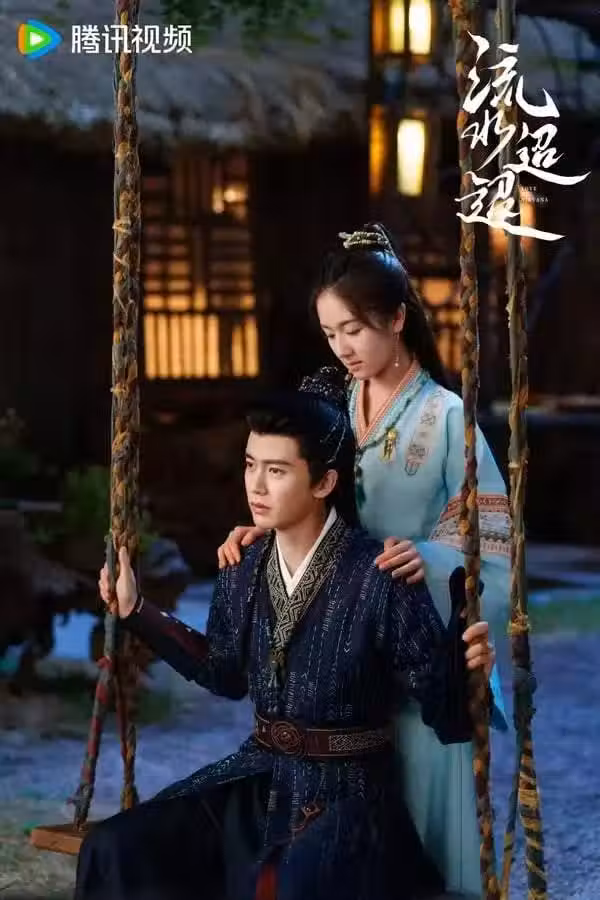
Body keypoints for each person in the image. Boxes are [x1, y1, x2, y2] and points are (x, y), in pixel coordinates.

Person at [75, 371, 495, 900]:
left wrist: (469, 669)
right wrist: (137, 610)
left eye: (276, 471)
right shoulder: (244, 563)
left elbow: (444, 711)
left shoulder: (380, 574)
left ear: (323, 483)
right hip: (259, 775)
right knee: (115, 847)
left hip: (349, 796)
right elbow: (224, 674)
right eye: (250, 465)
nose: (255, 486)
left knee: (280, 886)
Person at [217, 223, 512, 897]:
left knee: (427, 833)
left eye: (354, 329)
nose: (343, 347)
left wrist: (430, 557)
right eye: (330, 333)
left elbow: (490, 543)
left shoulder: (447, 418)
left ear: (397, 318)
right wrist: (265, 527)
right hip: (343, 662)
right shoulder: (329, 403)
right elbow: (297, 486)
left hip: (416, 646)